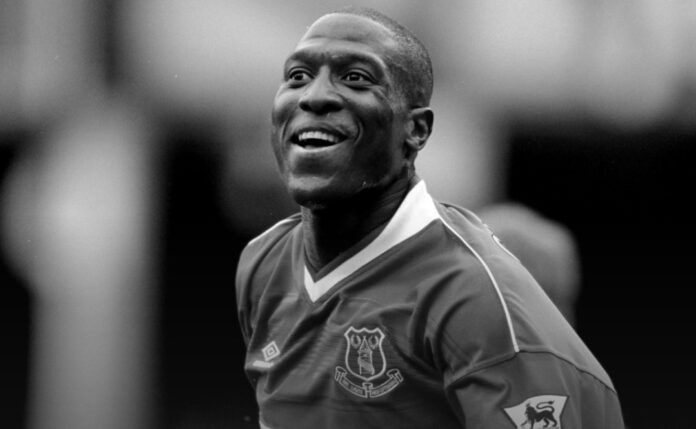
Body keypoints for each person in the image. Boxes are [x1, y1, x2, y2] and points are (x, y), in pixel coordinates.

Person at [235, 7, 624, 429]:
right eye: (297, 76)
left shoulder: (473, 294)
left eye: (356, 78)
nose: (314, 96)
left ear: (416, 130)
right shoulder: (263, 263)